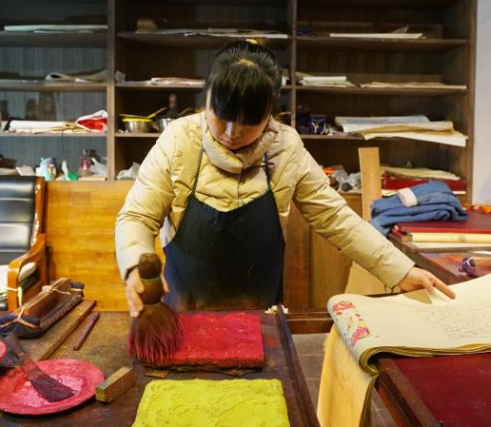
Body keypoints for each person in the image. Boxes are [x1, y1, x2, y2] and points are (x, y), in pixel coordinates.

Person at [116, 40, 455, 317]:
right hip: (184, 313)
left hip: (262, 317)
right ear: (207, 99)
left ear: (271, 112)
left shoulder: (285, 146)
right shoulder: (178, 140)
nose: (232, 133)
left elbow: (335, 218)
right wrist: (133, 268)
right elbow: (137, 217)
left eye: (248, 120)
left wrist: (400, 270)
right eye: (222, 117)